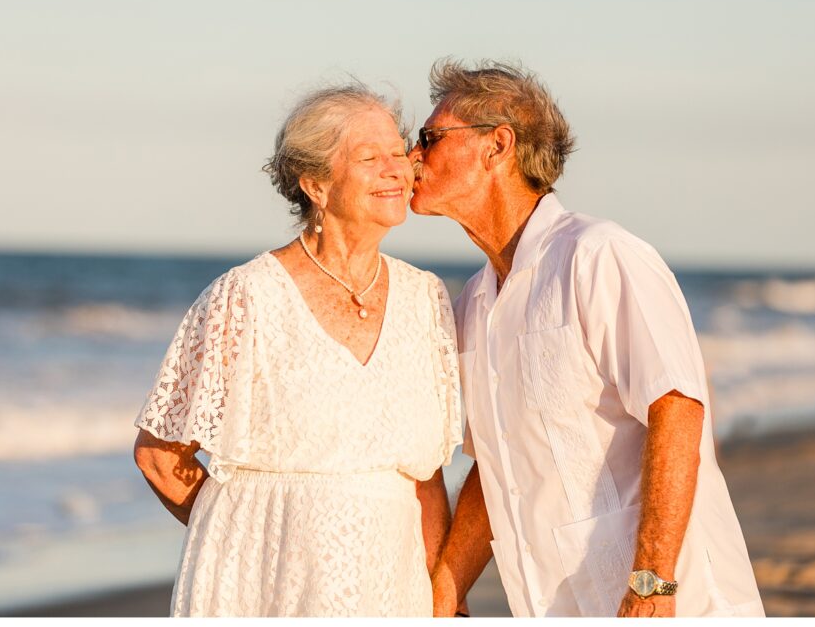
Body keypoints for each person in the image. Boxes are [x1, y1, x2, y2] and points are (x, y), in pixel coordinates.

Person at [409, 59, 765, 617]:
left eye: (429, 138)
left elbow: (676, 407)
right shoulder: (473, 305)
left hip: (662, 599)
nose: (413, 156)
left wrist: (653, 581)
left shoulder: (598, 256)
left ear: (497, 146)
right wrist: (446, 591)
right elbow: (497, 466)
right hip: (548, 604)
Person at [132, 83, 462, 617]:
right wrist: (245, 545)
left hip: (393, 594)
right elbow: (159, 456)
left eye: (399, 153)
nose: (396, 169)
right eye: (369, 157)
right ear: (316, 185)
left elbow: (426, 478)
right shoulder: (246, 296)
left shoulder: (425, 298)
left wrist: (446, 601)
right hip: (265, 595)